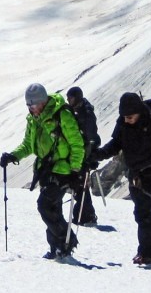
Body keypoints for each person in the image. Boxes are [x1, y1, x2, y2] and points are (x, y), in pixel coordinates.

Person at [0, 82, 86, 259]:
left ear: (44, 101)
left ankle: (66, 241)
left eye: (35, 105)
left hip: (63, 170)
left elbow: (77, 144)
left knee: (45, 205)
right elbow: (28, 145)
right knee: (53, 209)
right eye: (29, 106)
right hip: (45, 170)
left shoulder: (61, 114)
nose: (33, 109)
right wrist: (13, 156)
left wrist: (76, 170)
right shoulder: (33, 120)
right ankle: (57, 249)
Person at [94, 92, 151, 265]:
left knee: (142, 213)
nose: (126, 120)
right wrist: (98, 154)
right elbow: (115, 144)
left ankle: (146, 254)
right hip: (135, 174)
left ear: (139, 112)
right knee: (145, 213)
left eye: (130, 117)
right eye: (124, 117)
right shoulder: (124, 122)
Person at [66, 86, 101, 226]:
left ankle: (85, 216)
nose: (69, 100)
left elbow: (90, 136)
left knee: (80, 185)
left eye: (71, 98)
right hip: (79, 153)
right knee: (79, 186)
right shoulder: (78, 110)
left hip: (84, 154)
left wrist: (88, 155)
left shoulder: (86, 113)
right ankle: (84, 215)